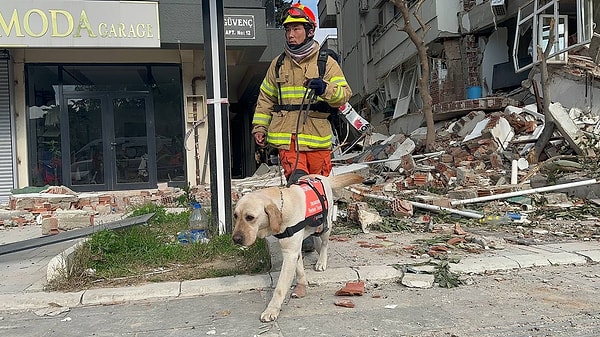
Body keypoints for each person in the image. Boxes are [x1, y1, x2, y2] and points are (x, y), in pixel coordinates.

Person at [251, 3, 352, 251]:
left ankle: (319, 229)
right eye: (288, 30)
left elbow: (344, 95)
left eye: (296, 29)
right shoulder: (277, 64)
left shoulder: (326, 62)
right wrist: (259, 128)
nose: (290, 34)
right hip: (288, 142)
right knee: (296, 191)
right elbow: (265, 99)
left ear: (309, 31)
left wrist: (325, 88)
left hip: (317, 139)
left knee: (318, 189)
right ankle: (302, 234)